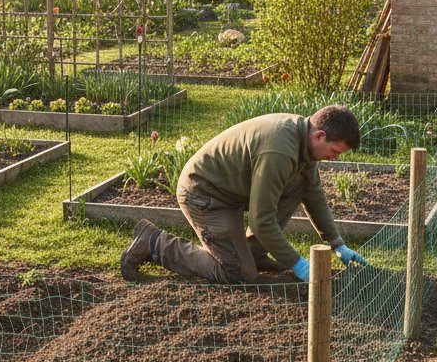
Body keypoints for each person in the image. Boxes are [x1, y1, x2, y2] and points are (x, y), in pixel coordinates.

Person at [121, 105, 368, 283]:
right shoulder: (280, 151)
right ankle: (154, 243)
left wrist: (337, 244)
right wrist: (297, 263)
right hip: (204, 194)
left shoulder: (303, 141)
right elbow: (261, 221)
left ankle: (252, 253)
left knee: (299, 185)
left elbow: (313, 194)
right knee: (238, 273)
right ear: (320, 135)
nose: (334, 158)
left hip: (230, 191)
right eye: (335, 151)